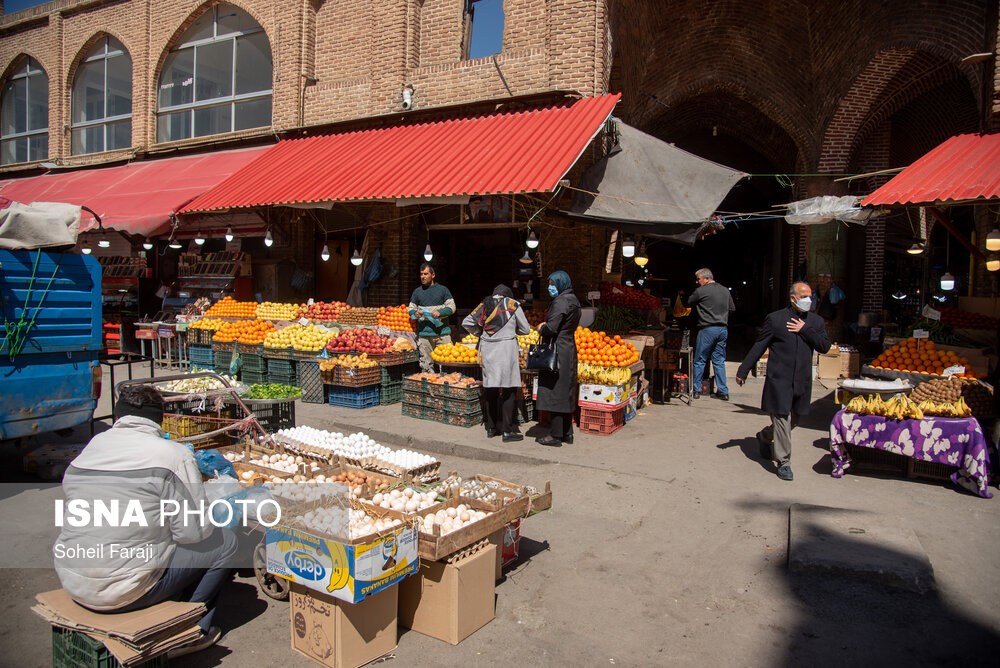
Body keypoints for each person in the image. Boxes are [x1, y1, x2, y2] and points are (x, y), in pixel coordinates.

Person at [53, 384, 237, 658]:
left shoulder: (92, 447)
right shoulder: (171, 454)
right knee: (226, 542)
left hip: (73, 578)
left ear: (118, 417)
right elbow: (194, 533)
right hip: (122, 590)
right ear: (160, 419)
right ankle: (191, 629)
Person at [734, 282, 831, 481]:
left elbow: (825, 347)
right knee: (781, 419)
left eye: (810, 296)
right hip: (779, 379)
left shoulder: (815, 322)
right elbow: (760, 345)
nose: (808, 300)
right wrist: (743, 370)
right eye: (804, 296)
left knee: (794, 419)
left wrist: (805, 330)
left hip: (801, 380)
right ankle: (784, 462)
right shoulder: (776, 319)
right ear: (792, 298)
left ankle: (764, 436)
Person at [462, 284, 531, 442]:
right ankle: (507, 431)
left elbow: (467, 322)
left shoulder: (484, 304)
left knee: (491, 388)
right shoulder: (513, 305)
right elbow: (526, 330)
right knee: (508, 389)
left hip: (488, 349)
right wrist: (512, 331)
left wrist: (481, 333)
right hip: (506, 349)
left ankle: (491, 428)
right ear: (508, 295)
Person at [535, 271, 581, 447]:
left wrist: (541, 327)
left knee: (556, 391)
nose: (550, 288)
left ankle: (554, 435)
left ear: (561, 284)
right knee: (566, 391)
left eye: (553, 284)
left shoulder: (561, 301)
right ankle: (567, 433)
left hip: (557, 351)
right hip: (568, 348)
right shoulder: (574, 300)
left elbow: (552, 328)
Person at [686, 268, 735, 400]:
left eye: (699, 279)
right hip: (722, 329)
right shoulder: (725, 290)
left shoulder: (701, 291)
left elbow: (689, 302)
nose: (697, 282)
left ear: (706, 278)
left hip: (707, 329)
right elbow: (732, 308)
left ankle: (696, 390)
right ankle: (723, 392)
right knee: (719, 360)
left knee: (700, 360)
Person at [408, 263, 457, 373]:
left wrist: (439, 312)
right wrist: (415, 313)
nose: (423, 277)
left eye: (426, 274)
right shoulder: (417, 292)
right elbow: (410, 309)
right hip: (425, 336)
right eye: (421, 274)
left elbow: (452, 307)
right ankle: (429, 388)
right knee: (426, 366)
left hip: (442, 335)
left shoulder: (443, 290)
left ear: (433, 275)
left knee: (446, 365)